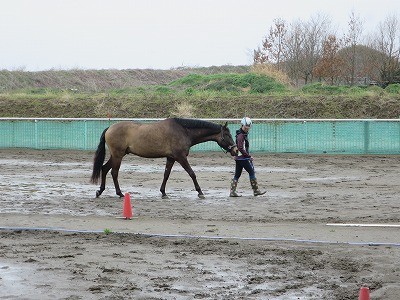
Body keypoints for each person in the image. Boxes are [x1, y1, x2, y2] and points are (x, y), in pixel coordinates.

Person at [229, 117, 266, 197]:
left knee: (237, 175)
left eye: (248, 127)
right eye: (246, 127)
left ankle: (232, 192)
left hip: (239, 158)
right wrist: (248, 156)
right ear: (242, 125)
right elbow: (241, 148)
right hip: (243, 158)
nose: (247, 128)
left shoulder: (241, 134)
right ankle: (256, 191)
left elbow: (240, 148)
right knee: (251, 172)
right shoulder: (241, 136)